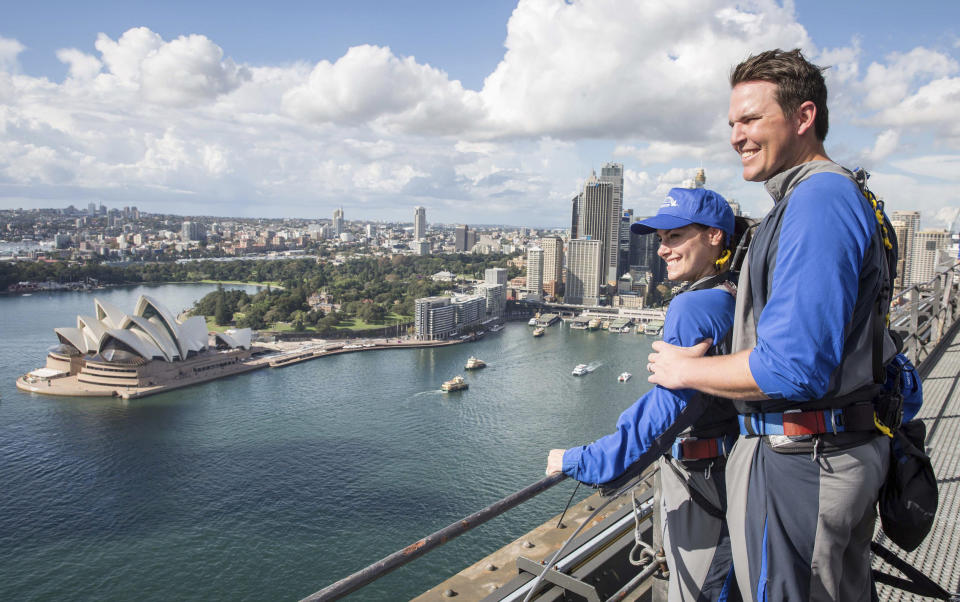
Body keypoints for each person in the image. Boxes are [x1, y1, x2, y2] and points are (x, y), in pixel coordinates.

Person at [647, 49, 897, 602]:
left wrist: (686, 370)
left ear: (803, 117)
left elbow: (795, 366)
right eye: (732, 123)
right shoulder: (827, 196)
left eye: (752, 119)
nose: (737, 135)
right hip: (827, 452)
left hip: (803, 462)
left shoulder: (818, 201)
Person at [546, 187, 742, 601]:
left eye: (675, 237)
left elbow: (666, 411)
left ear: (714, 236)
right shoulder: (736, 293)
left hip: (712, 486)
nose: (662, 250)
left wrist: (584, 459)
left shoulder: (694, 307)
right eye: (660, 239)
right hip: (738, 475)